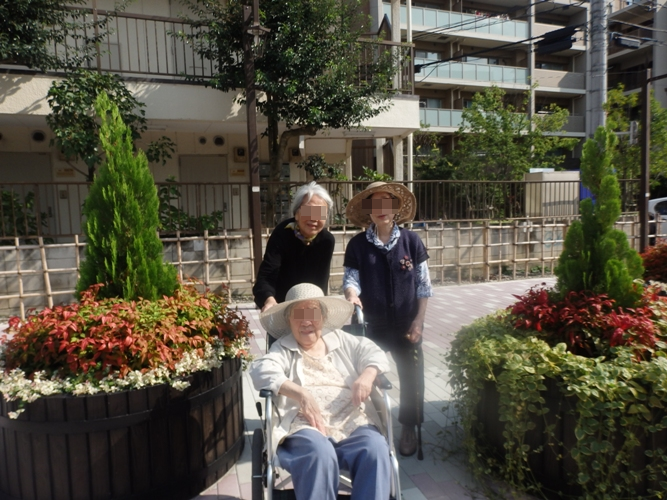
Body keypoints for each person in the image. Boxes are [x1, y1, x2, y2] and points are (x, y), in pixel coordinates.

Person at [250, 283, 391, 500]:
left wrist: (368, 375)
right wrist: (301, 394)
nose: (306, 321)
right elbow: (261, 370)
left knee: (375, 448)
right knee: (319, 453)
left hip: (351, 420)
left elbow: (373, 351)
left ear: (323, 318)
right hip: (304, 425)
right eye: (299, 315)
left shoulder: (342, 340)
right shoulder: (283, 348)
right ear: (289, 320)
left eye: (313, 314)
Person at [343, 181, 432, 458]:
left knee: (412, 377)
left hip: (406, 325)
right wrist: (351, 294)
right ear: (368, 210)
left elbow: (423, 285)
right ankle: (374, 425)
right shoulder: (357, 245)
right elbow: (351, 279)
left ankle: (408, 426)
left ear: (395, 209)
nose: (381, 209)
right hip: (373, 326)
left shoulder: (411, 241)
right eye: (375, 204)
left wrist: (418, 321)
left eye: (387, 203)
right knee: (369, 375)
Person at [253, 182, 335, 313]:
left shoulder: (326, 240)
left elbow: (321, 282)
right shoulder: (282, 234)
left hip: (311, 307)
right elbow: (267, 275)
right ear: (296, 214)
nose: (314, 218)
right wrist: (269, 300)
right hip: (281, 307)